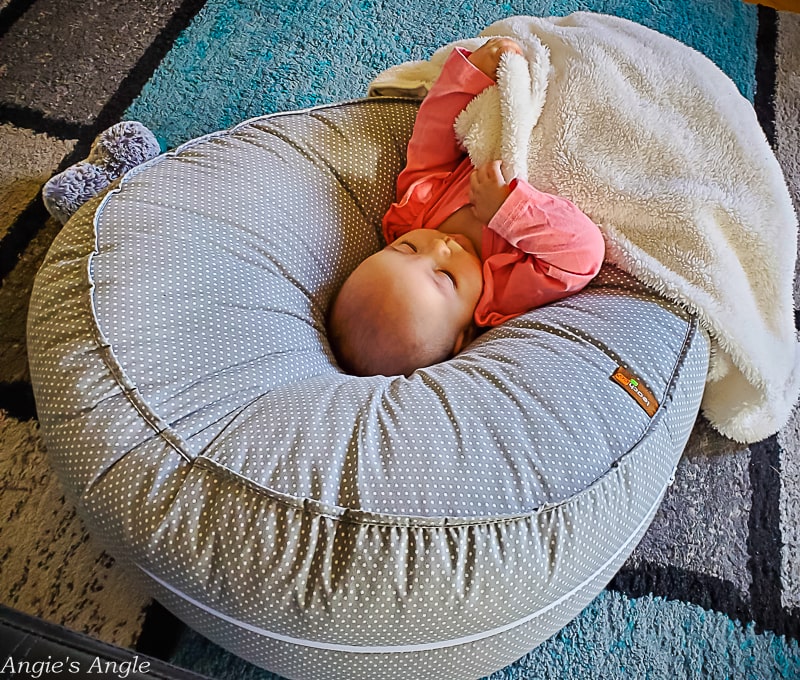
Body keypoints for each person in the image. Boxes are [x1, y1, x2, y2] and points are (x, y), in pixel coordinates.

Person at [328, 38, 605, 377]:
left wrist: (468, 76)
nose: (440, 247)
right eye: (445, 276)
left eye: (408, 247)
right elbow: (583, 255)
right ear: (465, 335)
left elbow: (431, 138)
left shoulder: (415, 213)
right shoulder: (502, 293)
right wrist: (508, 210)